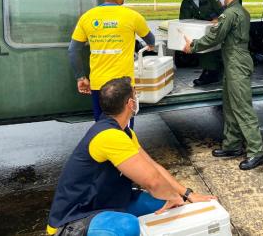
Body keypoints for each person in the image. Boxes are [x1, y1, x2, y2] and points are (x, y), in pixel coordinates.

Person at [47, 77, 216, 236]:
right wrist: (173, 197)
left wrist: (187, 194)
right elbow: (153, 182)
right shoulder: (108, 136)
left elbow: (153, 167)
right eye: (135, 94)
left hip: (108, 202)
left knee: (165, 205)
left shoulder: (124, 132)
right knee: (127, 225)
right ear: (130, 103)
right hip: (74, 218)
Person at [183, 0, 263, 171]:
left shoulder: (230, 14)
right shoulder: (240, 11)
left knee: (242, 108)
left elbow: (215, 36)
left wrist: (192, 46)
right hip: (232, 63)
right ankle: (232, 145)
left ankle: (256, 151)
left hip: (237, 63)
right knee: (229, 106)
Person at [68, 0, 155, 128]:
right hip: (124, 86)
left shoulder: (87, 17)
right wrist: (150, 45)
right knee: (124, 130)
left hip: (98, 85)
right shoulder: (132, 16)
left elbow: (73, 50)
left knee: (103, 128)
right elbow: (151, 39)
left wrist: (81, 77)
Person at [180, 0, 223, 86]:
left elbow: (226, 12)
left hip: (220, 30)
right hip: (202, 34)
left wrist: (218, 19)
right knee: (200, 45)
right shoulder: (186, 3)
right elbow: (183, 22)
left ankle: (214, 71)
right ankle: (210, 71)